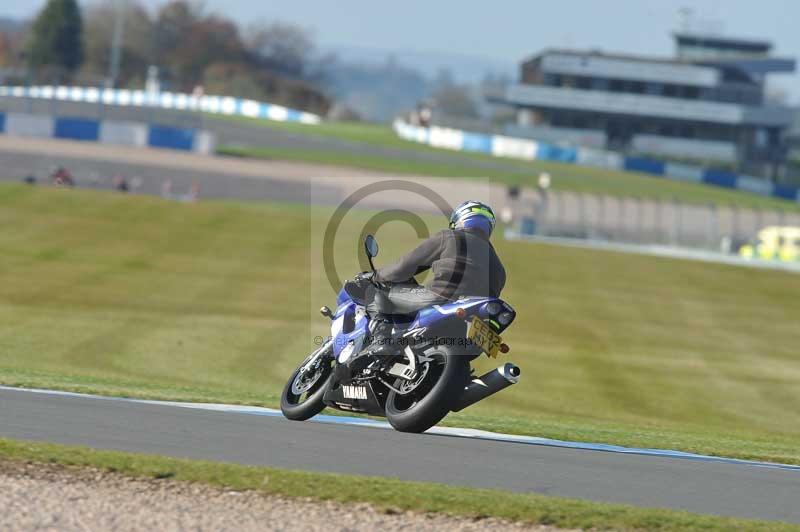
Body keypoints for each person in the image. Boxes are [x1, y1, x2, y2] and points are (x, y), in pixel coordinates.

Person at [359, 200, 506, 354]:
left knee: (376, 293)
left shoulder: (450, 237)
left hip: (441, 298)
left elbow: (404, 267)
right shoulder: (499, 266)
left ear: (460, 219)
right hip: (468, 322)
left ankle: (381, 341)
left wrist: (375, 276)